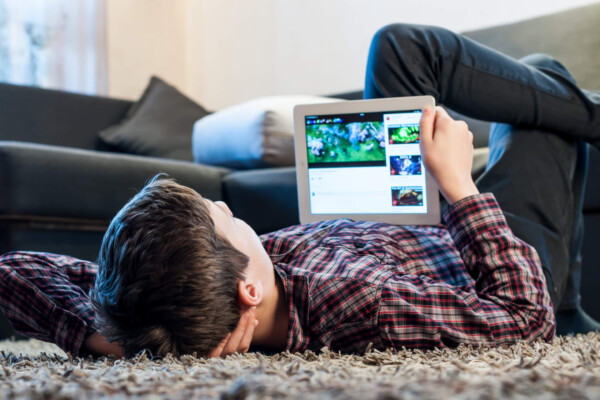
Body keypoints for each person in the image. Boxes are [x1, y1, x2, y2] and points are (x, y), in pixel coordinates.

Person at [1, 24, 599, 358]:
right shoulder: (360, 307)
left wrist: (110, 339)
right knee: (544, 79)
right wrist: (461, 188)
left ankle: (576, 302)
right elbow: (522, 320)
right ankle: (568, 298)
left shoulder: (189, 300)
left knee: (397, 51)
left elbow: (12, 274)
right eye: (225, 218)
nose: (232, 207)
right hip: (501, 258)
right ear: (248, 287)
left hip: (401, 232)